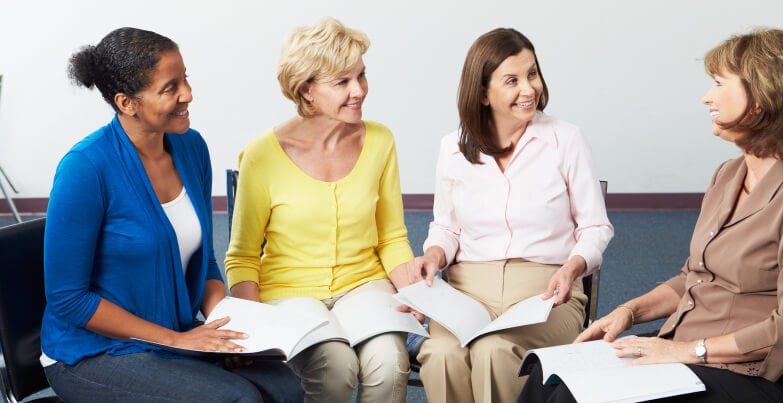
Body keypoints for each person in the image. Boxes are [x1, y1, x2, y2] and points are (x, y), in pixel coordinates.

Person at [519, 28, 783, 403]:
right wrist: (630, 311)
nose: (707, 97)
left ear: (762, 99)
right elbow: (693, 278)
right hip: (691, 349)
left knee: (576, 399)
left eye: (718, 83)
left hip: (761, 374)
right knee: (547, 377)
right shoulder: (728, 175)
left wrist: (688, 351)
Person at [41, 27, 302, 403]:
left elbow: (204, 262)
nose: (188, 95)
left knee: (285, 386)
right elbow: (68, 299)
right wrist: (177, 339)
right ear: (126, 102)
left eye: (186, 79)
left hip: (174, 331)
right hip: (90, 352)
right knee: (235, 398)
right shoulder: (85, 168)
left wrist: (224, 325)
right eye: (170, 87)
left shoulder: (191, 147)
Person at [397, 27, 614, 403]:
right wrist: (434, 255)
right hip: (467, 292)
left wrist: (573, 267)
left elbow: (596, 228)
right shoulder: (453, 148)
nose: (529, 89)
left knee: (495, 353)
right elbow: (446, 227)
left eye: (532, 74)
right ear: (482, 93)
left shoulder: (566, 139)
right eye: (512, 80)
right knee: (441, 355)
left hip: (546, 291)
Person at [224, 17, 414, 403]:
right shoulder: (261, 155)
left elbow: (392, 236)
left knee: (389, 362)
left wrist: (416, 295)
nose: (359, 90)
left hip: (364, 285)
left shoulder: (380, 140)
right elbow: (242, 256)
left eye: (361, 76)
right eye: (342, 82)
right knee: (336, 366)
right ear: (306, 90)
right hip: (289, 291)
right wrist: (251, 325)